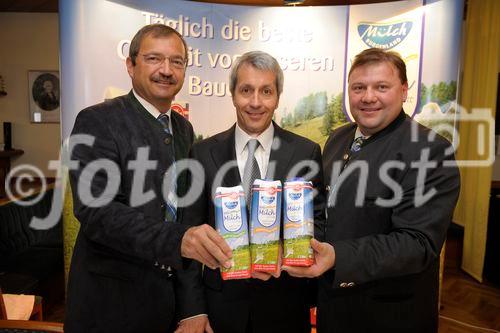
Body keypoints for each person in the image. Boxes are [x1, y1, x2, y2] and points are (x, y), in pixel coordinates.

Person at [65, 24, 231, 333]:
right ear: (131, 65)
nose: (166, 70)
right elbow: (97, 212)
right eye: (154, 58)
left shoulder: (183, 129)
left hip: (165, 308)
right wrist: (179, 240)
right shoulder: (96, 120)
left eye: (176, 61)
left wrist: (191, 307)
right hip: (109, 308)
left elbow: (184, 213)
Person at [283, 48, 460, 332]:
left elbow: (417, 243)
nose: (368, 97)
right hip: (333, 309)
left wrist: (338, 256)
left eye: (381, 87)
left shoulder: (430, 150)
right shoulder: (338, 138)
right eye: (358, 87)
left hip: (389, 316)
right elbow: (324, 210)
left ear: (403, 91)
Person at [181, 51, 325, 333]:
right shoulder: (201, 153)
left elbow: (318, 223)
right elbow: (189, 236)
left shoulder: (306, 152)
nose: (256, 102)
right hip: (219, 308)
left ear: (278, 96)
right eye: (246, 90)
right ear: (233, 94)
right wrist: (193, 309)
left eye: (266, 91)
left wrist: (290, 251)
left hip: (284, 305)